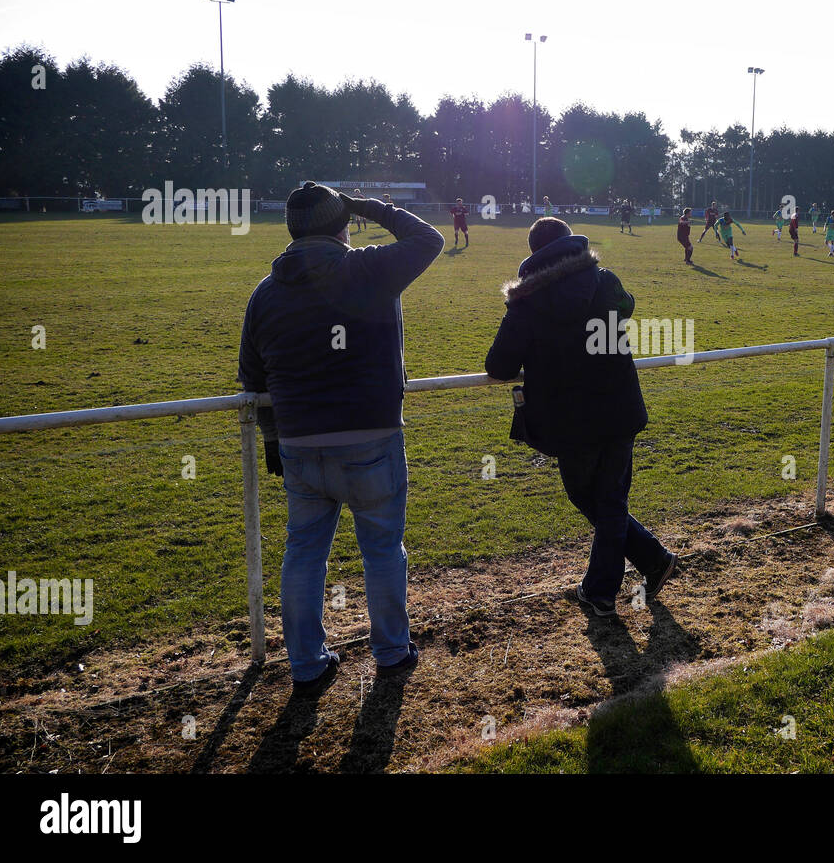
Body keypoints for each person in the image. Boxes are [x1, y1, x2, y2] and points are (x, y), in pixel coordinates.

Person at [238, 182, 444, 689]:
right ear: (343, 223)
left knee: (303, 553)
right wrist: (374, 206)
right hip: (372, 437)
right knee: (382, 549)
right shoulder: (368, 268)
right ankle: (392, 652)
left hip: (299, 444)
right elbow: (428, 240)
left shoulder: (264, 294)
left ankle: (307, 663)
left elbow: (251, 377)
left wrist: (270, 440)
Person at [485, 218, 678, 616]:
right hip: (619, 408)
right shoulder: (605, 281)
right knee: (609, 500)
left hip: (570, 421)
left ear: (535, 256)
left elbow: (500, 366)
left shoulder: (527, 301)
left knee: (592, 498)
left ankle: (606, 589)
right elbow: (627, 308)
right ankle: (646, 563)